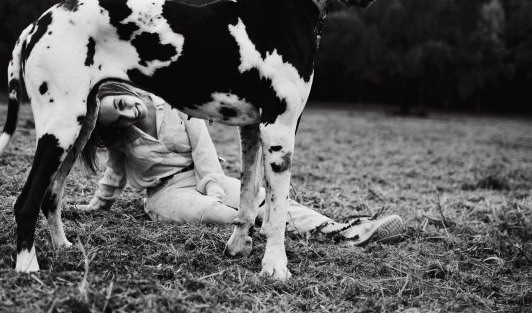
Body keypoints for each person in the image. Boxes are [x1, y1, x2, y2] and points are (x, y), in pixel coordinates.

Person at [76, 82, 403, 245]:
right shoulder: (121, 138)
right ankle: (260, 233)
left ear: (120, 88)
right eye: (118, 120)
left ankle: (346, 232)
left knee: (262, 199)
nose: (127, 114)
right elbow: (113, 176)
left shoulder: (174, 102)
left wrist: (213, 185)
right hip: (165, 195)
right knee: (214, 213)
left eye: (121, 104)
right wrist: (97, 205)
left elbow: (203, 150)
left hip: (204, 177)